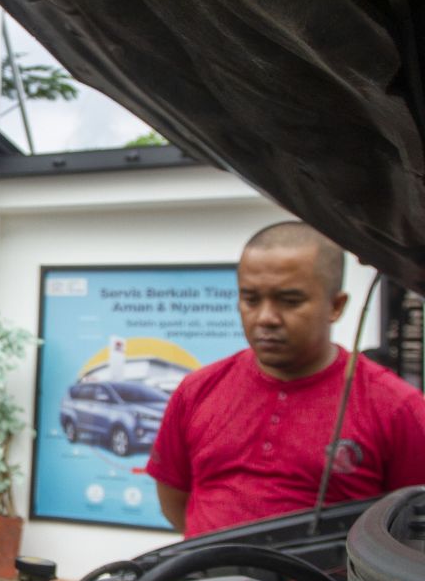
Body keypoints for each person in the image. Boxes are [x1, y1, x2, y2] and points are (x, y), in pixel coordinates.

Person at [147, 221, 425, 537]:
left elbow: (410, 532)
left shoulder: (398, 407)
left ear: (336, 306)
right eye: (251, 299)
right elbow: (175, 500)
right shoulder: (196, 391)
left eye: (289, 301)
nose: (266, 318)